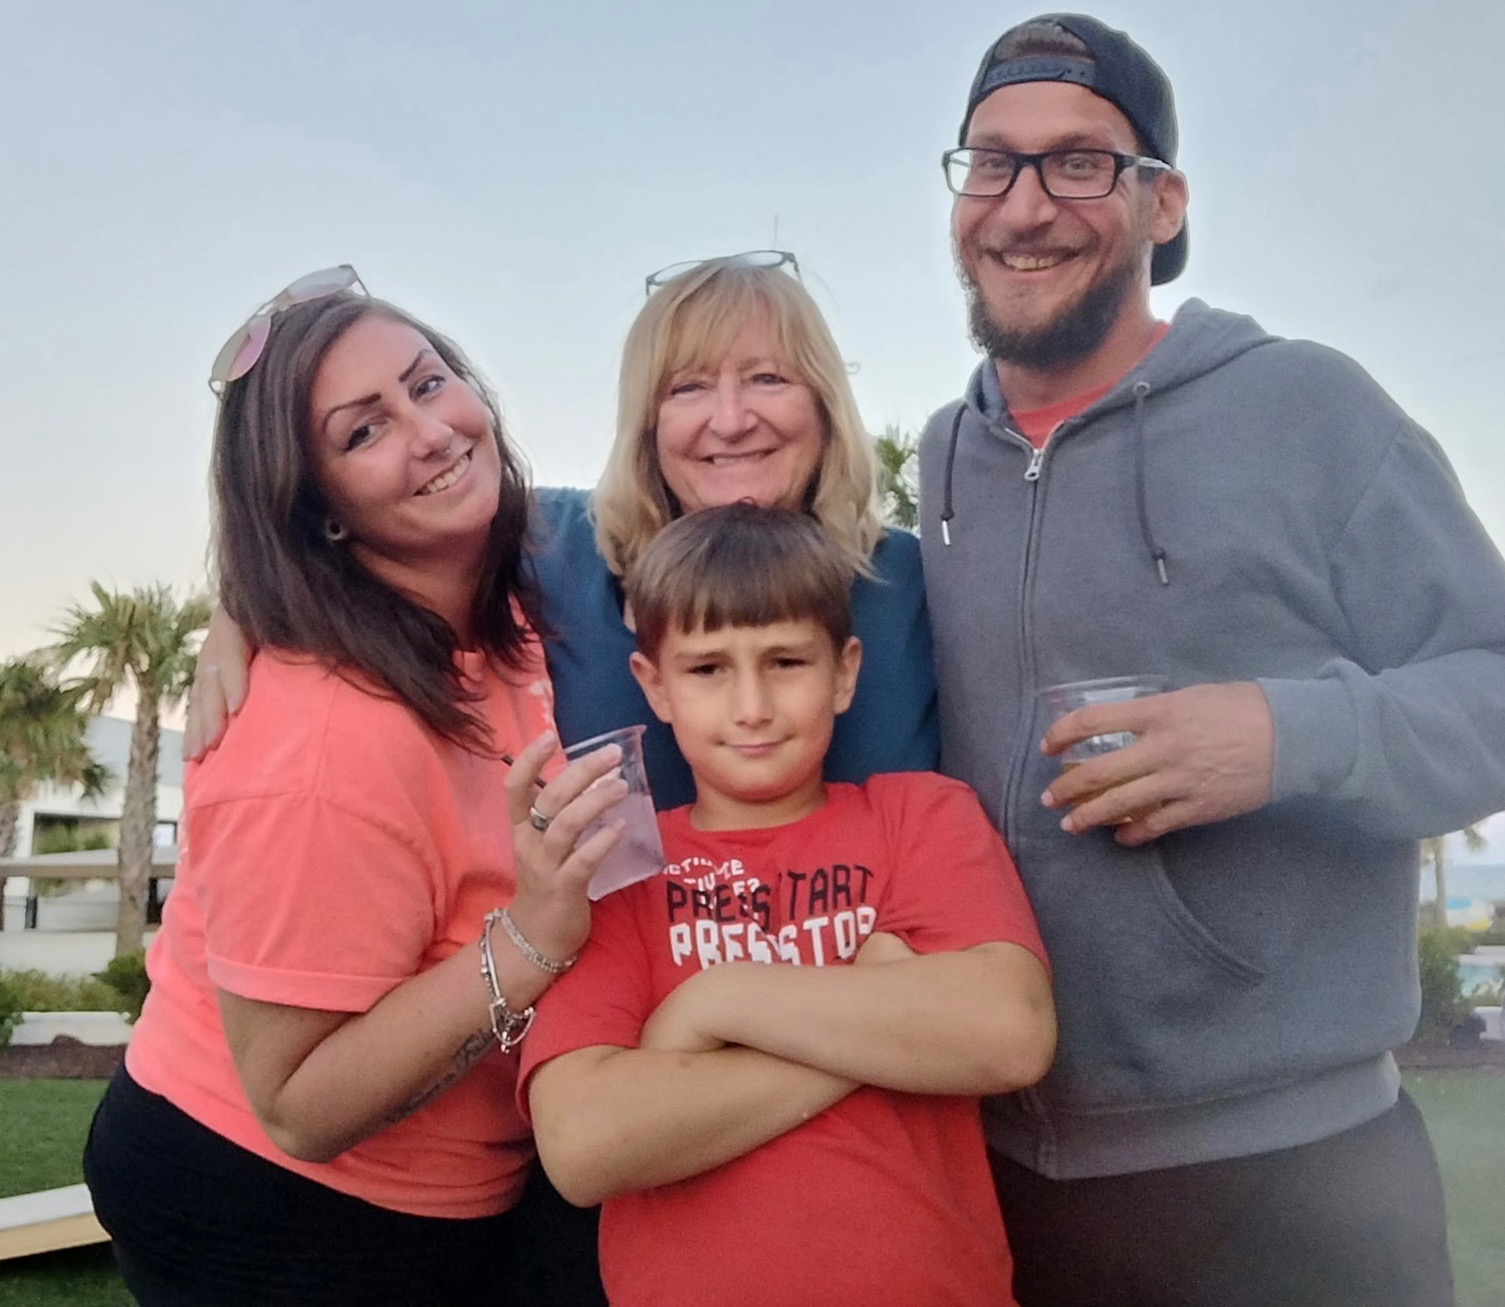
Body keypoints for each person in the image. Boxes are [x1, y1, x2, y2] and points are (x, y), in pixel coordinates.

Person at [918, 14, 1505, 1307]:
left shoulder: (1307, 406)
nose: (1024, 205)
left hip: (1296, 1180)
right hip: (1005, 1171)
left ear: (1163, 204)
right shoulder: (942, 456)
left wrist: (1284, 736)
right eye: (992, 162)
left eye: (1079, 162)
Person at [178, 252, 940, 1302]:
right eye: (686, 387)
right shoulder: (565, 551)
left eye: (768, 377)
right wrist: (238, 610)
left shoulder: (908, 586)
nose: (730, 420)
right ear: (646, 421)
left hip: (864, 1116)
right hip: (612, 1098)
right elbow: (340, 520)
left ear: (825, 398)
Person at [83, 272, 621, 1305]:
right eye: (364, 431)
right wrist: (534, 938)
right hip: (278, 1209)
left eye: (429, 381)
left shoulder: (501, 595)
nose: (431, 431)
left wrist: (238, 599)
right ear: (316, 507)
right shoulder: (324, 738)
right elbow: (297, 1101)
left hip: (456, 1184)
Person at [519, 503, 1056, 1307]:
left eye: (786, 661)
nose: (752, 706)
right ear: (654, 685)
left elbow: (1009, 1033)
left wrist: (714, 1003)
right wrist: (879, 1009)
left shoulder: (919, 816)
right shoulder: (621, 868)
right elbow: (583, 1143)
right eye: (707, 669)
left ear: (843, 671)